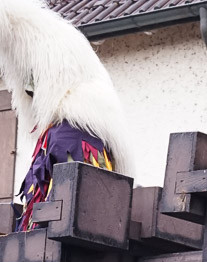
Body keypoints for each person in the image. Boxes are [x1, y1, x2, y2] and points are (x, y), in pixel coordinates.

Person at [0, 0, 133, 232]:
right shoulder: (54, 136)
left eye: (32, 84)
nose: (29, 93)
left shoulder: (72, 136)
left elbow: (76, 207)